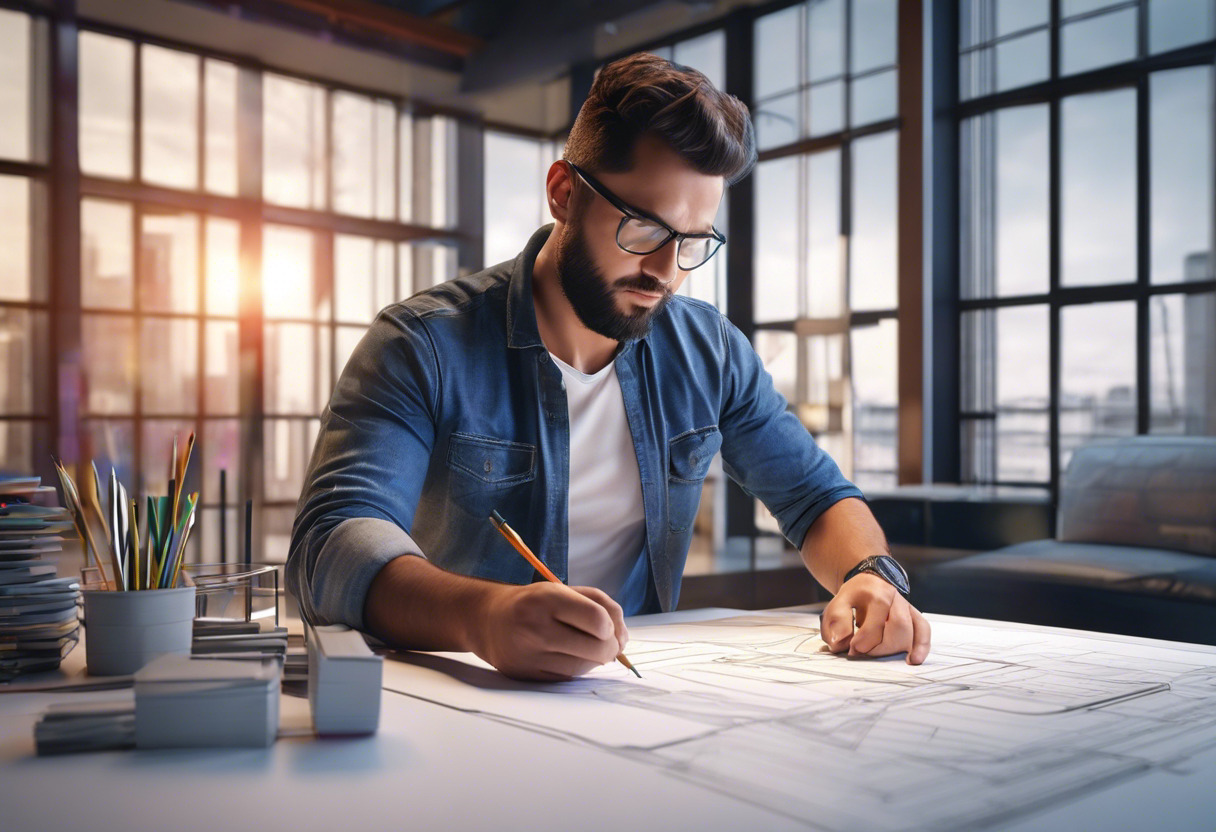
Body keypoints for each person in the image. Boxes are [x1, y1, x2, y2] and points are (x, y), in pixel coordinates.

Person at [287, 52, 931, 681]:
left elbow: (815, 498)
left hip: (634, 704)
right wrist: (480, 617)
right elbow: (332, 543)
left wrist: (869, 574)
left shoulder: (708, 351)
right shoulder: (424, 343)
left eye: (692, 243)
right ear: (564, 193)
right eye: (645, 231)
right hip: (456, 708)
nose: (667, 272)